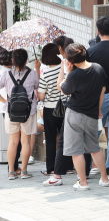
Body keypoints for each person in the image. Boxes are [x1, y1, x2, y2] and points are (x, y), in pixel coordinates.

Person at [57, 43, 109, 190]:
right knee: (95, 148)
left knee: (76, 150)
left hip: (74, 114)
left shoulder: (74, 74)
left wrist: (68, 71)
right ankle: (105, 179)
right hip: (92, 114)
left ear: (70, 60)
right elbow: (102, 90)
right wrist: (99, 109)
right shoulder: (98, 68)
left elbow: (64, 90)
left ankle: (83, 182)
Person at [87, 16, 109, 178]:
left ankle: (87, 167)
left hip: (97, 98)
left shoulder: (91, 52)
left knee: (93, 133)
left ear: (98, 31)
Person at [0, 49, 40, 179]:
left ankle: (11, 172)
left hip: (11, 111)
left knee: (12, 142)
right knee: (25, 142)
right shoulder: (32, 73)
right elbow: (37, 85)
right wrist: (37, 69)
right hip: (28, 112)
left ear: (12, 60)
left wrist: (5, 101)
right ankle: (24, 171)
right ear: (26, 61)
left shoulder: (6, 75)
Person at [38, 43, 64, 175]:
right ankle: (67, 166)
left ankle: (51, 168)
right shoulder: (65, 70)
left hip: (50, 109)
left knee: (50, 139)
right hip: (65, 108)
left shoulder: (45, 74)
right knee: (65, 138)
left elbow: (41, 96)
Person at [0, 47, 21, 175]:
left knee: (13, 140)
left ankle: (13, 167)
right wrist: (5, 101)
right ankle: (13, 167)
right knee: (15, 141)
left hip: (5, 109)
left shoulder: (4, 70)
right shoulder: (8, 73)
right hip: (10, 108)